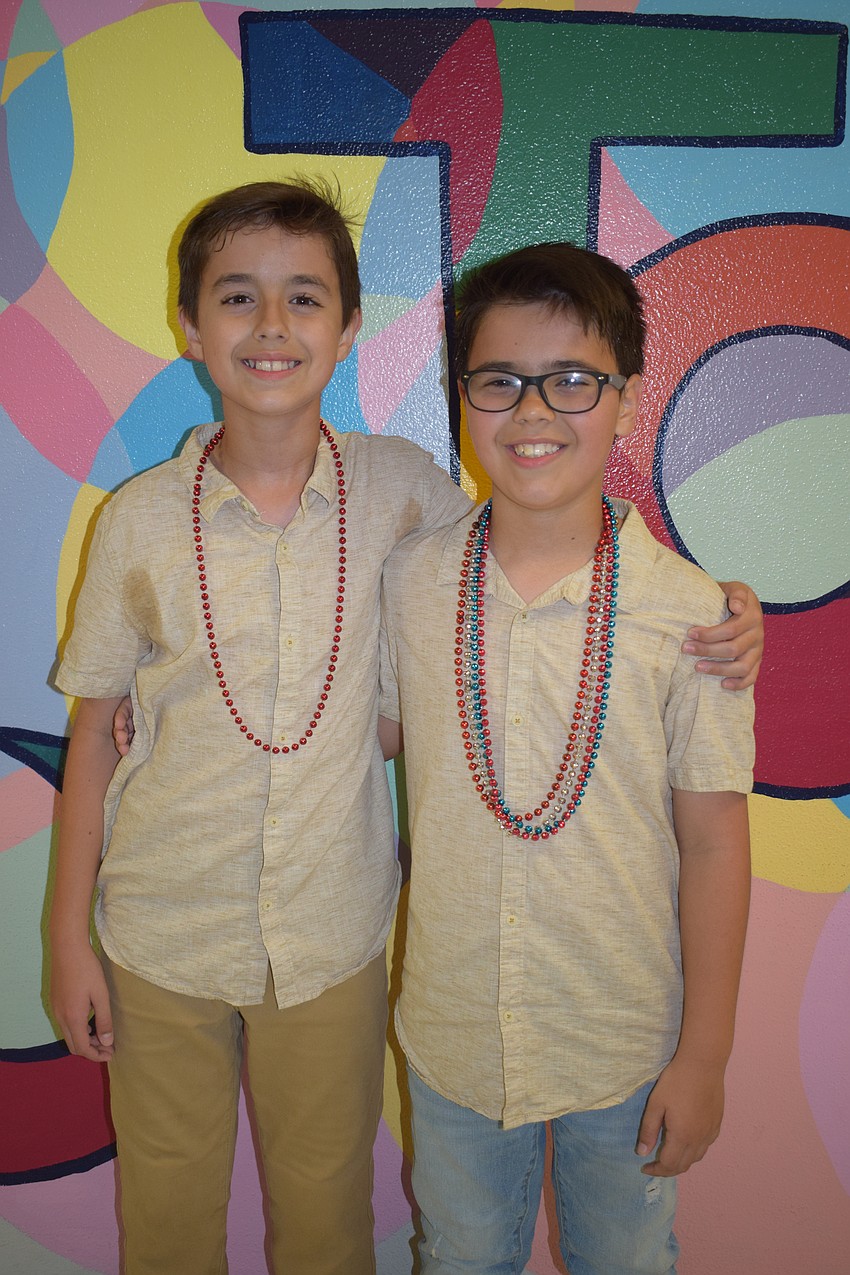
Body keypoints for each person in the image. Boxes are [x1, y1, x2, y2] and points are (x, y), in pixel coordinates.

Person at [51, 180, 759, 1275]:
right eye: (238, 297)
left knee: (361, 1219)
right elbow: (119, 726)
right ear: (189, 324)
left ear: (348, 327)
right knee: (187, 1218)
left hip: (419, 968)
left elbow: (539, 572)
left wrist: (730, 612)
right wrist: (69, 932)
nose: (273, 326)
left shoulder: (414, 506)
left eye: (304, 298)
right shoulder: (174, 525)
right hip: (207, 947)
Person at [379, 242, 755, 1274]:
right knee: (457, 1257)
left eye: (572, 380)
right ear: (462, 396)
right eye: (499, 381)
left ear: (626, 400)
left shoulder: (691, 613)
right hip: (453, 1034)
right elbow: (363, 732)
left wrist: (707, 1055)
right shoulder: (410, 581)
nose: (533, 412)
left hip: (625, 1040)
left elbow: (717, 841)